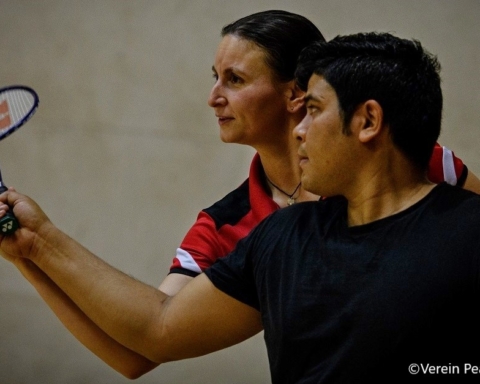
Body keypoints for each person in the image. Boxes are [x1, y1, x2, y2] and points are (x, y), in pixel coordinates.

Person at [0, 12, 479, 381]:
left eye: (235, 79)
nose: (212, 97)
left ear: (296, 94)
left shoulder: (413, 161)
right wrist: (29, 250)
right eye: (215, 76)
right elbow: (144, 344)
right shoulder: (234, 225)